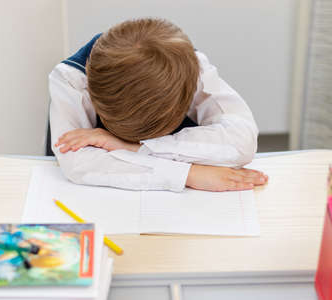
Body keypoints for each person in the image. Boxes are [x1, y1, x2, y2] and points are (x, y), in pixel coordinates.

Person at [49, 18, 268, 192]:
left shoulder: (193, 67)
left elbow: (241, 142)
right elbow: (77, 163)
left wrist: (133, 148)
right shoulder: (71, 79)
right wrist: (188, 175)